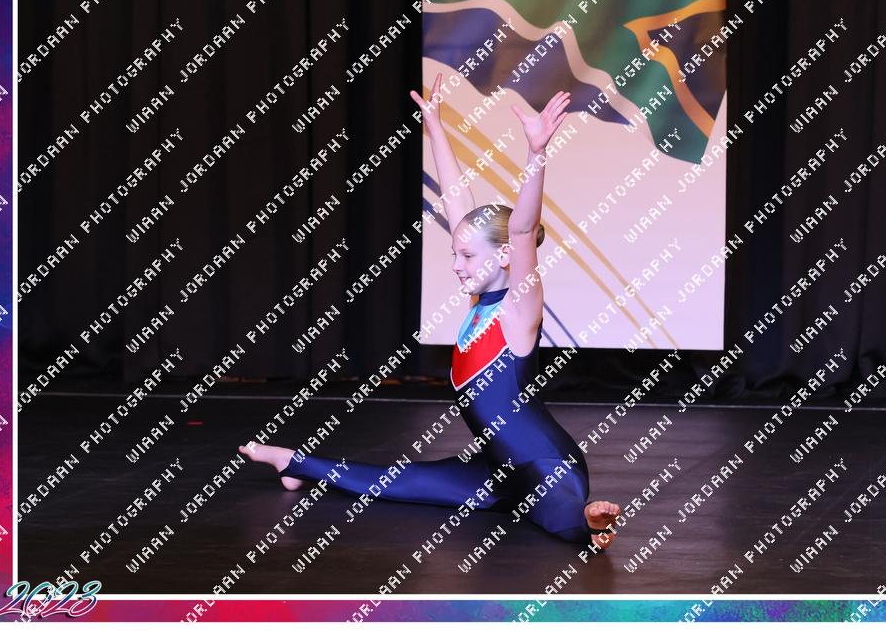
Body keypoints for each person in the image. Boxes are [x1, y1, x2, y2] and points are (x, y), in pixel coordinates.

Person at [240, 73, 621, 550]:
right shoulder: (478, 304)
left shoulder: (519, 308)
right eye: (455, 254)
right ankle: (295, 462)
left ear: (504, 256)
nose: (457, 265)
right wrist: (435, 126)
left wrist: (536, 152)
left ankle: (590, 519)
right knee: (399, 482)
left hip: (547, 468)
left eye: (468, 257)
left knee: (558, 514)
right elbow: (455, 195)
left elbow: (523, 231)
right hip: (496, 471)